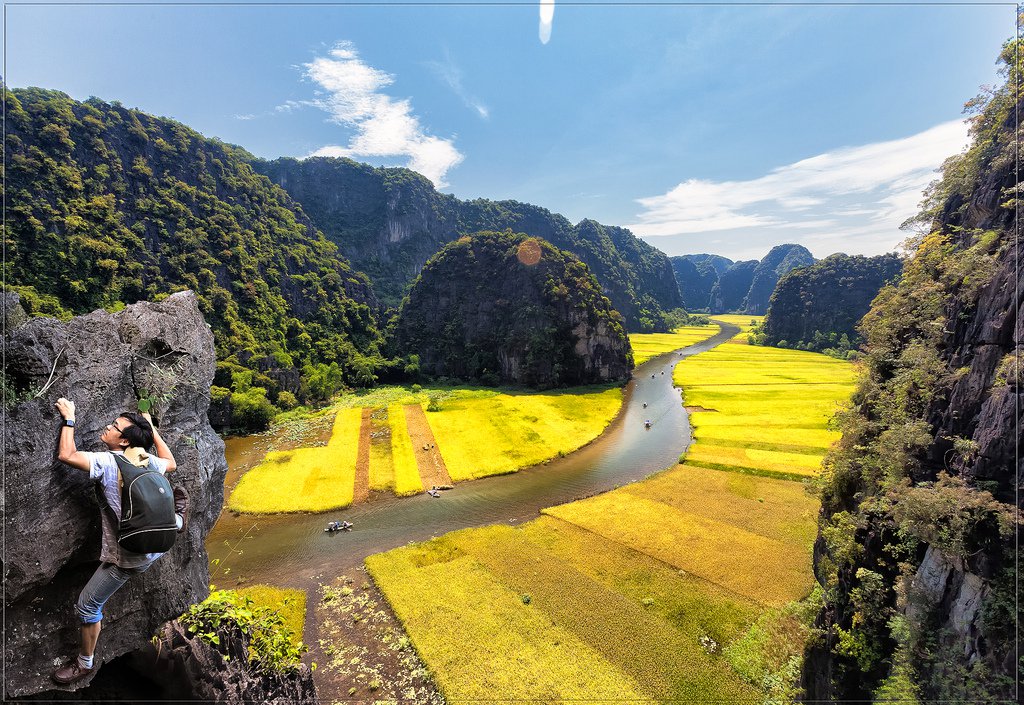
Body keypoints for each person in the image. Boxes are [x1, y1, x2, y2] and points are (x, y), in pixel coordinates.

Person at [51, 398, 188, 686]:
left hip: (130, 555)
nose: (107, 427)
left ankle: (84, 663)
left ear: (123, 440)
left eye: (114, 427)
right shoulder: (147, 460)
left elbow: (67, 454)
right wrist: (151, 427)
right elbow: (171, 463)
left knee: (87, 607)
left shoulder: (105, 461)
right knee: (164, 515)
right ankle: (176, 520)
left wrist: (70, 417)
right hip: (155, 545)